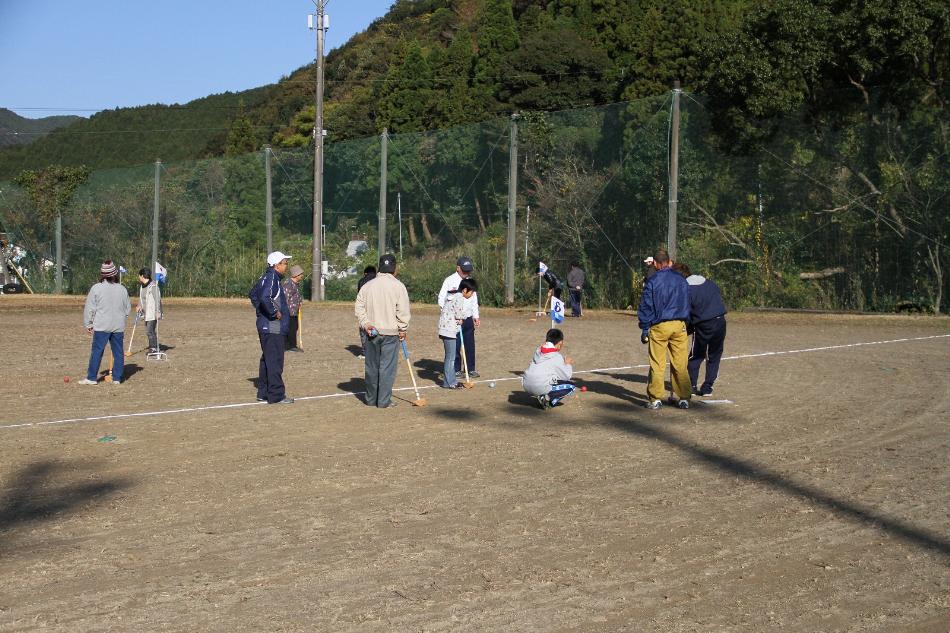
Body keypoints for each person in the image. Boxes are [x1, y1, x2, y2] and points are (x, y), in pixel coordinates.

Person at [638, 248, 691, 410]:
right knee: (680, 363)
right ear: (669, 262)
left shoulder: (652, 282)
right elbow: (688, 302)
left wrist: (645, 328)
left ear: (654, 263)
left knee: (657, 364)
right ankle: (684, 398)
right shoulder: (682, 280)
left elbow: (646, 307)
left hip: (659, 326)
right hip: (679, 325)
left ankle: (655, 399)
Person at [355, 253, 411, 408]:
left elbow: (359, 307)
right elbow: (403, 311)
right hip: (391, 333)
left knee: (371, 366)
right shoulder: (398, 286)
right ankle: (384, 401)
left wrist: (366, 324)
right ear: (394, 268)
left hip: (372, 332)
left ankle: (371, 399)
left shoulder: (367, 286)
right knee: (387, 368)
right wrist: (403, 328)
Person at [672, 262, 728, 396]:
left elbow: (687, 313)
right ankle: (707, 387)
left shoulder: (686, 289)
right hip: (721, 322)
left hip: (704, 324)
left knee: (696, 355)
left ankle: (690, 385)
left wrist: (685, 330)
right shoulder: (709, 283)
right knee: (714, 355)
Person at [250, 251, 293, 404]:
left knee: (267, 358)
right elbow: (263, 297)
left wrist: (261, 311)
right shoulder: (272, 278)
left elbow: (253, 294)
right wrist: (273, 312)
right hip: (272, 324)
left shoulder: (264, 278)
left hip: (266, 324)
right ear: (276, 265)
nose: (286, 266)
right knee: (275, 359)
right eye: (284, 263)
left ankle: (263, 392)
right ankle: (276, 395)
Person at [78, 260, 131, 385]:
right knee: (118, 353)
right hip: (118, 326)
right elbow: (128, 309)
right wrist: (122, 318)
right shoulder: (122, 289)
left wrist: (88, 324)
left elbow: (90, 308)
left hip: (102, 326)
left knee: (97, 351)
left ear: (102, 274)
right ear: (115, 274)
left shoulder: (96, 288)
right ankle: (117, 378)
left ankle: (91, 378)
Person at [437, 256, 480, 378]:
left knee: (469, 344)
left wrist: (475, 315)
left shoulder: (469, 282)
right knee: (455, 345)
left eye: (469, 270)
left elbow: (474, 300)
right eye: (465, 270)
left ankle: (470, 369)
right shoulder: (449, 280)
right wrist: (448, 314)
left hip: (467, 318)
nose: (467, 273)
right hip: (453, 321)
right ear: (458, 268)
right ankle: (456, 369)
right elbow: (441, 298)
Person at [522, 328, 576, 409]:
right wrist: (567, 364)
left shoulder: (538, 350)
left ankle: (542, 395)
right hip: (538, 387)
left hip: (526, 384)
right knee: (571, 386)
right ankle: (548, 401)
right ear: (560, 343)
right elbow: (566, 376)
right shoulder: (556, 356)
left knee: (551, 377)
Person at [136, 267, 163, 354]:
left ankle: (154, 348)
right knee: (149, 331)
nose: (139, 277)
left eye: (139, 276)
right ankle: (153, 347)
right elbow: (141, 298)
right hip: (146, 313)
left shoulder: (153, 286)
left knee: (149, 330)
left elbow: (157, 299)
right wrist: (139, 305)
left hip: (152, 312)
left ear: (142, 276)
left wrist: (157, 311)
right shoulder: (142, 286)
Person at [282, 264, 305, 352]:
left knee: (294, 327)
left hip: (294, 311)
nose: (302, 276)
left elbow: (296, 296)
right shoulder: (288, 284)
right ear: (295, 275)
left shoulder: (296, 284)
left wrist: (299, 302)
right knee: (290, 328)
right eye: (300, 274)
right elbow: (285, 298)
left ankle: (289, 345)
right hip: (288, 312)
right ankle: (290, 346)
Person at [356, 265, 377, 359]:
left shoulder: (361, 281)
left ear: (365, 273)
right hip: (376, 309)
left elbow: (359, 297)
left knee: (364, 329)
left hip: (364, 308)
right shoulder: (378, 280)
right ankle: (376, 351)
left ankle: (365, 352)